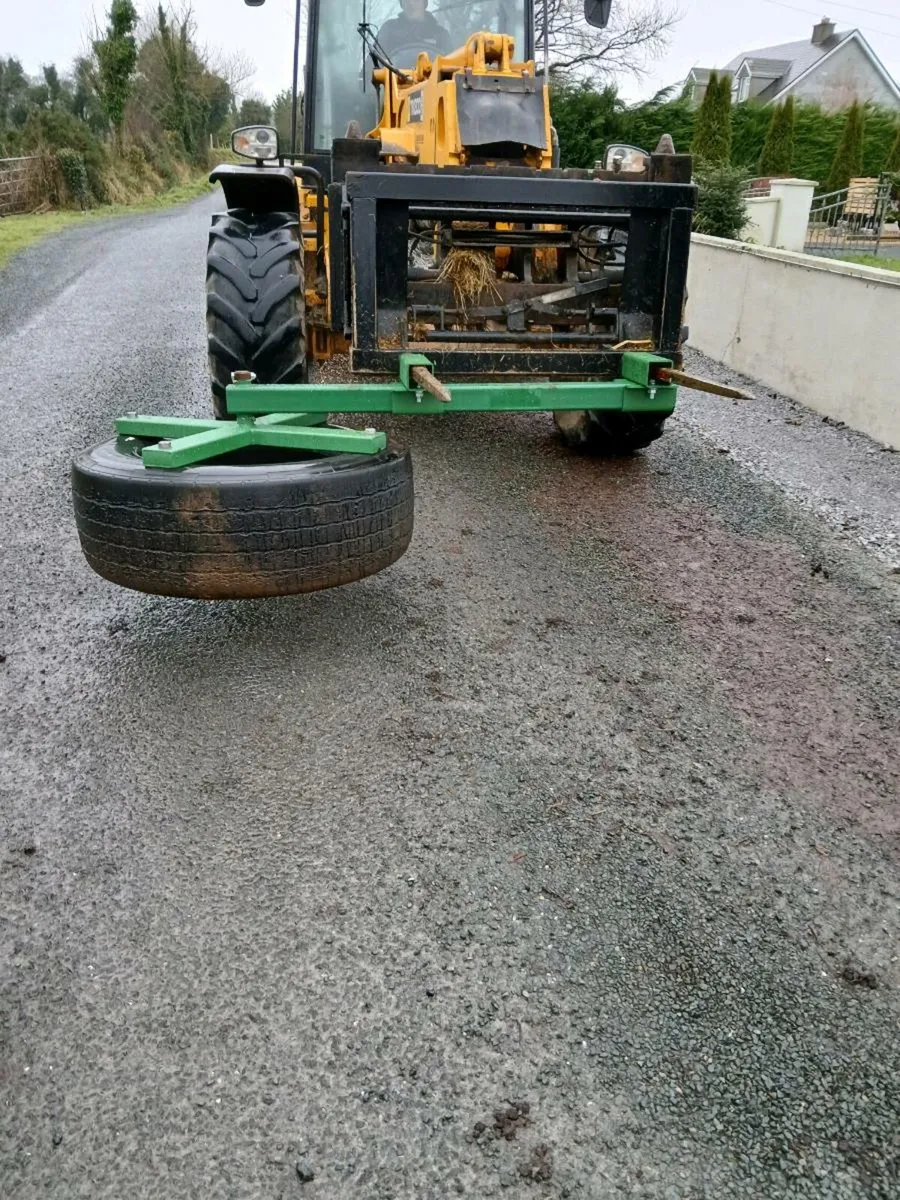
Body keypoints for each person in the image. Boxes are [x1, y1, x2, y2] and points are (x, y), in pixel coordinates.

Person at [377, 0, 453, 66]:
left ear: (424, 2)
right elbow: (373, 62)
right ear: (401, 3)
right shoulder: (389, 30)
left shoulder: (440, 35)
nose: (411, 3)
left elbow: (454, 65)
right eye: (406, 0)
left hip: (434, 81)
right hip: (394, 81)